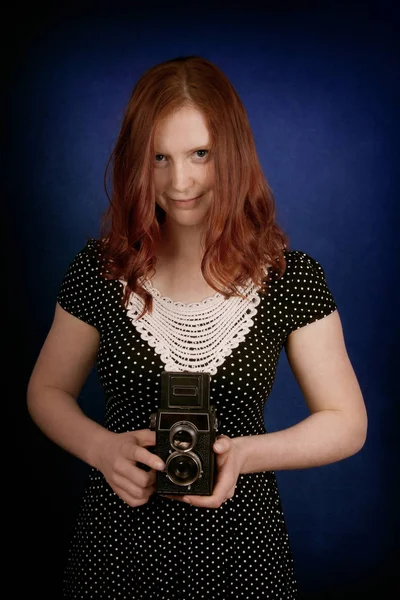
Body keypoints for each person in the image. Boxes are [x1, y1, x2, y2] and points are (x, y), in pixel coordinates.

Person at [27, 55, 368, 599]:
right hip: (115, 552)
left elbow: (347, 421)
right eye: (158, 157)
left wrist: (246, 455)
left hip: (244, 555)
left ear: (231, 154)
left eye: (199, 154)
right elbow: (46, 390)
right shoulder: (100, 269)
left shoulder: (290, 277)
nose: (179, 180)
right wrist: (102, 449)